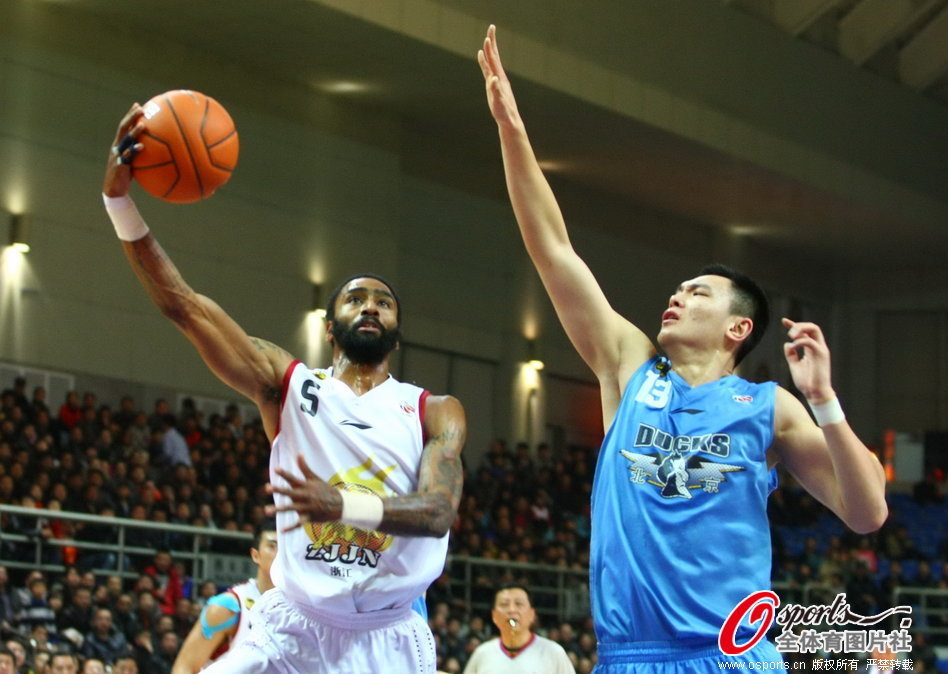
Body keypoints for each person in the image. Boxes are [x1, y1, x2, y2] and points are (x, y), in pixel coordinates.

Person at [478, 25, 888, 672]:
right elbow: (554, 250)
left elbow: (866, 513)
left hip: (732, 658)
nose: (678, 296)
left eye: (698, 293)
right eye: (678, 289)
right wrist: (512, 130)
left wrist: (824, 400)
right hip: (632, 655)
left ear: (738, 329)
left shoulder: (767, 405)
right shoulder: (629, 367)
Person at [102, 105, 466, 674]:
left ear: (396, 333)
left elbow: (440, 510)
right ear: (329, 326)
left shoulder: (432, 410)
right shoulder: (288, 383)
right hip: (292, 626)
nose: (370, 305)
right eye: (355, 297)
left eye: (384, 301)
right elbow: (185, 305)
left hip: (384, 636)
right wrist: (119, 202)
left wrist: (340, 504)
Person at [171, 522, 277, 673]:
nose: (280, 554)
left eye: (285, 548)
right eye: (272, 546)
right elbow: (184, 667)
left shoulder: (303, 608)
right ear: (255, 555)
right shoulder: (228, 605)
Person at [463, 586, 574, 674]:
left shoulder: (553, 652)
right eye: (504, 604)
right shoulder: (482, 653)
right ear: (494, 616)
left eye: (519, 604)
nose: (511, 610)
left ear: (532, 614)